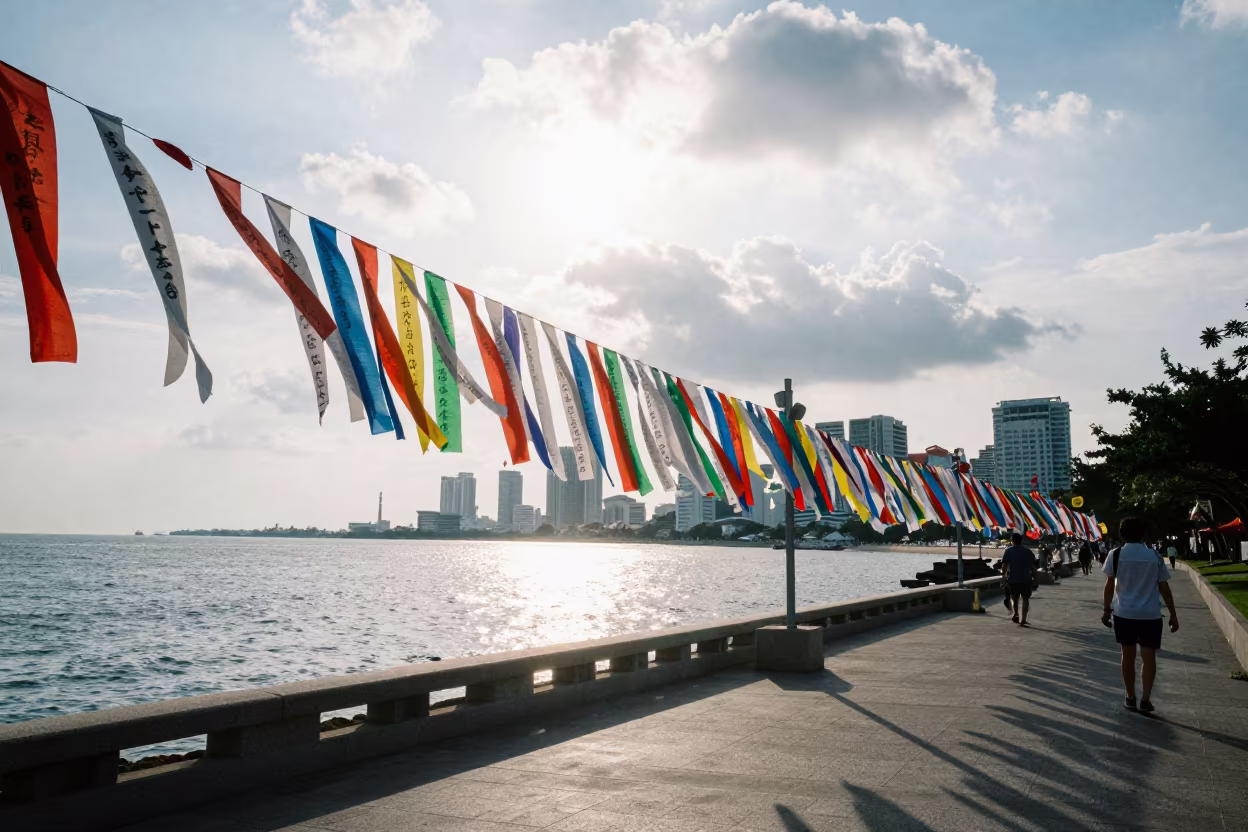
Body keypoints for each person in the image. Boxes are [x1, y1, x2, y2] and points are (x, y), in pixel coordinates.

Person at [1102, 517, 1180, 713]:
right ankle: (1145, 699)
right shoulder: (1154, 555)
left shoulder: (1115, 554)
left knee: (1127, 656)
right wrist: (1173, 614)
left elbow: (1109, 585)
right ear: (1143, 533)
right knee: (1149, 657)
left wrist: (1105, 610)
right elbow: (1164, 586)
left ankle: (1130, 696)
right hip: (1150, 614)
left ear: (1122, 533)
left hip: (1124, 613)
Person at [1001, 532, 1039, 626]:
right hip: (1026, 579)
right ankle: (1023, 620)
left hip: (1013, 579)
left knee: (1015, 598)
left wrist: (1003, 577)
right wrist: (1036, 578)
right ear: (1022, 540)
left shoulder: (1008, 551)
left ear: (1012, 541)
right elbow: (1033, 567)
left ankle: (1016, 614)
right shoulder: (1027, 551)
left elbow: (1004, 566)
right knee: (1025, 599)